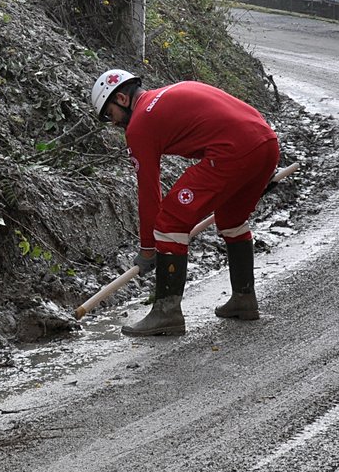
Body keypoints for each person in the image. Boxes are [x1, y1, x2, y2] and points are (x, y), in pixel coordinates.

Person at [90, 69, 280, 338]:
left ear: (121, 98)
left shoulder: (140, 124)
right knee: (231, 220)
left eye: (109, 115)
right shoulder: (173, 92)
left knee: (170, 221)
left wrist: (148, 248)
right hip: (266, 143)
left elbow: (148, 189)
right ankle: (244, 299)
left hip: (233, 151)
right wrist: (260, 165)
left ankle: (166, 313)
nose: (113, 123)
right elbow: (237, 115)